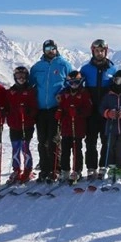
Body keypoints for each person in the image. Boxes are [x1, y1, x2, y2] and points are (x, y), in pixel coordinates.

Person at [29, 40, 72, 177]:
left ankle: (55, 169)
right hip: (41, 109)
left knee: (53, 140)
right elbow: (31, 86)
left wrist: (63, 96)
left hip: (56, 108)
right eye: (47, 48)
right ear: (43, 50)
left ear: (56, 49)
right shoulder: (37, 67)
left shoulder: (64, 65)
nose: (50, 50)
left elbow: (71, 84)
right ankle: (45, 169)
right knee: (42, 141)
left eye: (52, 48)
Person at [82, 39, 118, 179]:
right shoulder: (85, 69)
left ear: (105, 51)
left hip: (106, 111)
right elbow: (77, 87)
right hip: (90, 111)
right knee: (90, 141)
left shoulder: (113, 69)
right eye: (96, 51)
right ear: (93, 51)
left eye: (102, 51)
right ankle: (91, 168)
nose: (99, 53)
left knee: (106, 140)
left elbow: (117, 89)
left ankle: (103, 166)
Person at [55, 71, 92, 182]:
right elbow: (61, 105)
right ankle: (65, 170)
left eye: (76, 82)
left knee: (77, 149)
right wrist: (59, 112)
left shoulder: (84, 93)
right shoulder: (65, 93)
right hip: (66, 125)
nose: (74, 85)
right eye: (71, 82)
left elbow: (89, 109)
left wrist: (78, 111)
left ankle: (77, 170)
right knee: (65, 149)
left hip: (78, 125)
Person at [5, 67, 38, 184]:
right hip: (14, 124)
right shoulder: (10, 92)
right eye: (18, 76)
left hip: (26, 124)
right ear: (15, 77)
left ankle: (28, 169)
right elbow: (6, 107)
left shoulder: (30, 90)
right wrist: (4, 113)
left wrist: (28, 111)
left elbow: (35, 107)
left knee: (25, 147)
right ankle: (16, 170)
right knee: (15, 148)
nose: (21, 79)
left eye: (23, 76)